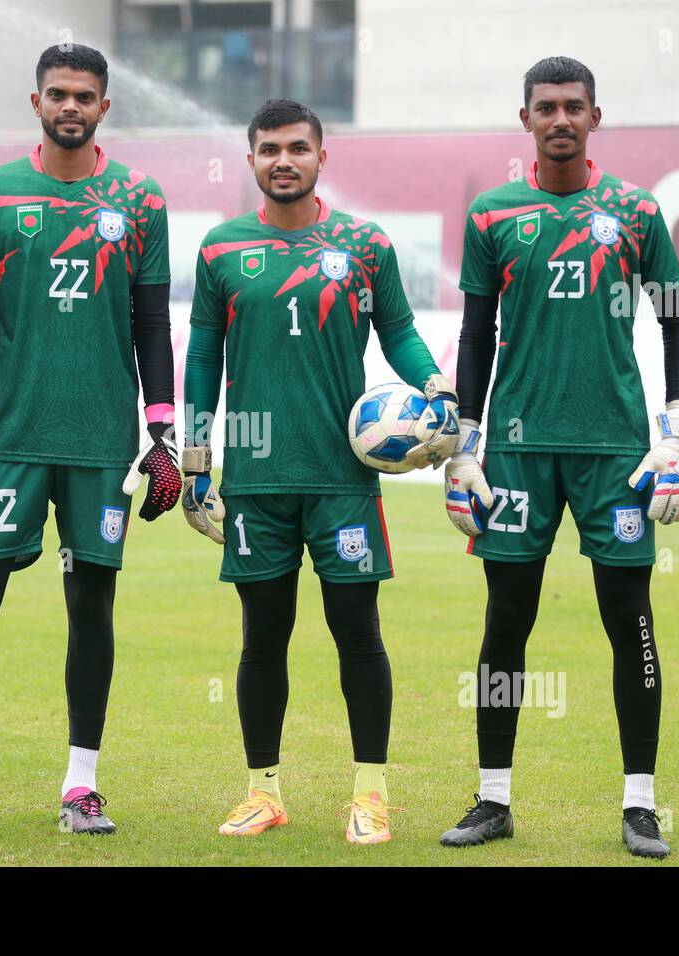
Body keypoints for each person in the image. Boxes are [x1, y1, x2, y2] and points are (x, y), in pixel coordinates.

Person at [0, 44, 180, 839]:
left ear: (104, 106)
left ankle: (81, 788)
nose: (70, 106)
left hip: (101, 445)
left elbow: (153, 322)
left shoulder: (141, 199)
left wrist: (161, 432)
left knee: (91, 605)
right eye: (57, 94)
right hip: (6, 441)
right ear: (36, 102)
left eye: (84, 96)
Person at [438, 56, 679, 858]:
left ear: (594, 117)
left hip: (616, 453)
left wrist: (678, 430)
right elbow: (476, 334)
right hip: (514, 453)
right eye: (545, 107)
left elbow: (678, 319)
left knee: (630, 621)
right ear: (525, 120)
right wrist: (466, 440)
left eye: (573, 107)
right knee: (506, 622)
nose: (559, 119)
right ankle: (492, 799)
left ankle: (641, 805)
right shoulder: (492, 215)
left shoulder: (636, 212)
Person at [182, 99, 461, 845]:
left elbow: (397, 330)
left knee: (357, 632)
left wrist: (433, 384)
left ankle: (370, 794)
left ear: (320, 157)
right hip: (256, 483)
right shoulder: (220, 251)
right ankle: (263, 791)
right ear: (250, 161)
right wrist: (197, 455)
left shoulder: (364, 246)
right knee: (261, 637)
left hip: (343, 480)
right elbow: (203, 357)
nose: (283, 160)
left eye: (297, 148)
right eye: (269, 148)